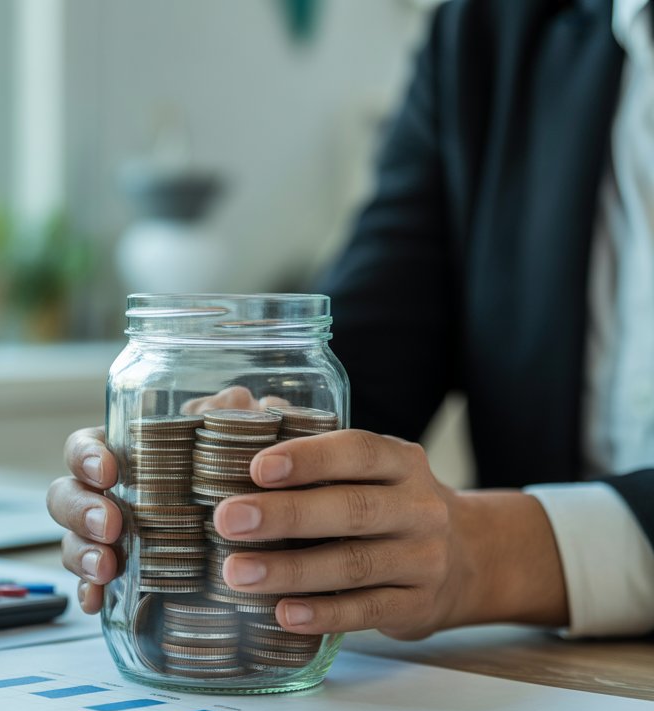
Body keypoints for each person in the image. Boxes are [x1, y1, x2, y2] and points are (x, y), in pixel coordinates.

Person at [47, 0, 654, 641]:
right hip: (540, 673)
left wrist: (494, 555)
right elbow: (361, 352)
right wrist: (232, 448)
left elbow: (476, 550)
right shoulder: (488, 30)